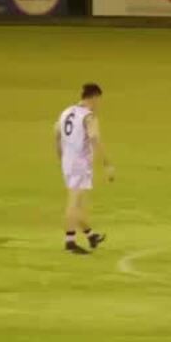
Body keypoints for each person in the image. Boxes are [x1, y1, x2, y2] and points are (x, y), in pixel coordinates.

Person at [55, 83, 113, 254]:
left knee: (78, 203)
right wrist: (107, 163)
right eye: (98, 100)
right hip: (79, 164)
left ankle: (90, 235)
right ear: (93, 97)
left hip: (68, 161)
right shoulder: (89, 116)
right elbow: (94, 138)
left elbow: (57, 134)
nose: (98, 105)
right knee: (73, 203)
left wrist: (61, 157)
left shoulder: (66, 112)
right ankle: (70, 242)